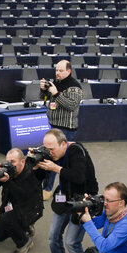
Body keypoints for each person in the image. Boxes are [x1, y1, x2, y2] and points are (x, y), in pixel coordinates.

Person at [37, 128, 98, 253]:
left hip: (82, 200)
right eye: (46, 149)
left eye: (52, 149)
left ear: (63, 144)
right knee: (53, 237)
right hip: (64, 196)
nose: (49, 153)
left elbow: (79, 177)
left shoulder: (77, 151)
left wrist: (55, 168)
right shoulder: (55, 153)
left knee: (71, 241)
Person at [39, 60, 83, 200]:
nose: (57, 73)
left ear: (68, 71)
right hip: (54, 125)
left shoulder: (75, 87)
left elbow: (71, 105)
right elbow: (45, 99)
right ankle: (47, 186)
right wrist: (44, 90)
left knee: (56, 160)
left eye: (61, 70)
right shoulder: (55, 83)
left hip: (66, 129)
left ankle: (49, 189)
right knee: (51, 157)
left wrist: (56, 93)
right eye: (56, 70)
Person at [0, 148, 45, 253]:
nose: (10, 165)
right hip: (12, 208)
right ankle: (24, 227)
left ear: (22, 161)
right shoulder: (8, 172)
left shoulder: (31, 173)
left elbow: (23, 197)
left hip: (30, 209)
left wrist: (8, 182)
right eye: (8, 161)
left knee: (6, 218)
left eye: (13, 162)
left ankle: (24, 242)